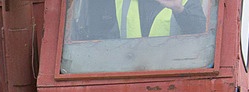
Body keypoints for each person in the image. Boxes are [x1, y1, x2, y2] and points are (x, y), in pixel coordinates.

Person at [77, 0, 207, 39]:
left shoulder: (186, 2)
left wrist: (179, 10)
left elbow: (201, 37)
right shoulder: (114, 3)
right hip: (130, 77)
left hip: (174, 77)